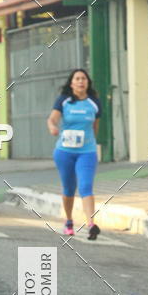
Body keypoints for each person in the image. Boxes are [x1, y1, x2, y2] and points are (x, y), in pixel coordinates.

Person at [47, 69, 101, 240]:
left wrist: (91, 143)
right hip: (65, 152)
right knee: (69, 189)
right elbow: (52, 119)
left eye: (83, 78)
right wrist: (53, 128)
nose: (80, 81)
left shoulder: (94, 102)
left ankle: (91, 224)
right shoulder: (64, 101)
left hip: (87, 152)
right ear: (71, 83)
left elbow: (95, 127)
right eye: (77, 79)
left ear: (87, 83)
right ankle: (69, 220)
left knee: (86, 186)